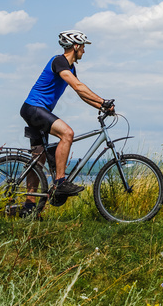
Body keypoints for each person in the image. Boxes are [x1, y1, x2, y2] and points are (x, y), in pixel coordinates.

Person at [20, 30, 113, 210]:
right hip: (34, 109)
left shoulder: (70, 67)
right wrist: (103, 101)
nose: (84, 51)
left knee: (38, 160)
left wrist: (101, 107)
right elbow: (78, 85)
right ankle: (60, 182)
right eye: (83, 46)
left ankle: (29, 208)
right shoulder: (59, 62)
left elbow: (80, 93)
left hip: (35, 110)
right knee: (67, 133)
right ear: (76, 46)